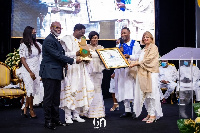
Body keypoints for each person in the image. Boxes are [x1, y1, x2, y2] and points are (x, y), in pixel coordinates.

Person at [39, 21, 81, 130]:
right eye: (56, 27)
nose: (59, 29)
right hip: (49, 73)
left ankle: (55, 120)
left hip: (56, 72)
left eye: (60, 28)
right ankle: (48, 121)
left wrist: (64, 64)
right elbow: (57, 55)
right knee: (49, 98)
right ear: (51, 28)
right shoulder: (49, 40)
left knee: (56, 99)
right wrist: (74, 61)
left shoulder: (55, 40)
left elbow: (60, 55)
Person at [60, 24, 94, 124]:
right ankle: (67, 116)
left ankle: (76, 115)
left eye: (84, 33)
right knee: (70, 91)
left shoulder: (82, 41)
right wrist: (76, 54)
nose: (82, 35)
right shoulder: (66, 39)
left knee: (79, 91)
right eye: (81, 32)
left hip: (80, 69)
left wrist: (87, 58)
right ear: (76, 30)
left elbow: (85, 54)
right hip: (71, 68)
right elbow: (62, 54)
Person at [129, 31, 163, 123]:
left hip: (151, 73)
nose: (145, 38)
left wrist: (136, 63)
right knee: (145, 95)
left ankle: (153, 114)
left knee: (151, 94)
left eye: (147, 37)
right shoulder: (143, 49)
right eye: (144, 37)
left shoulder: (154, 47)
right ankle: (149, 113)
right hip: (143, 74)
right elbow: (138, 59)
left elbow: (149, 60)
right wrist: (129, 62)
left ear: (151, 38)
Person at [114, 27, 141, 119]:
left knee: (133, 90)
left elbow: (139, 56)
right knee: (123, 90)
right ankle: (127, 110)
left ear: (129, 33)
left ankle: (135, 110)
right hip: (121, 70)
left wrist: (129, 56)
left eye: (125, 33)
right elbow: (115, 58)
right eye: (122, 33)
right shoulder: (119, 45)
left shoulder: (135, 43)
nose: (123, 35)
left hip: (131, 70)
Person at [19, 26, 41, 119]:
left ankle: (25, 107)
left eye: (35, 32)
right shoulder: (23, 45)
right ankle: (31, 110)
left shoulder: (37, 44)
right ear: (28, 33)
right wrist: (30, 72)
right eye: (33, 33)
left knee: (33, 89)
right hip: (27, 70)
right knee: (30, 90)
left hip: (36, 69)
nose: (34, 34)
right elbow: (22, 59)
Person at [83, 31, 105, 118]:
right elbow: (84, 59)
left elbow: (105, 60)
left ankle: (98, 112)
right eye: (93, 38)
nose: (94, 40)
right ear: (90, 39)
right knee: (89, 89)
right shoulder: (86, 47)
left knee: (97, 90)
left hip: (98, 72)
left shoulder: (101, 47)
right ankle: (88, 112)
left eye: (96, 38)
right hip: (89, 72)